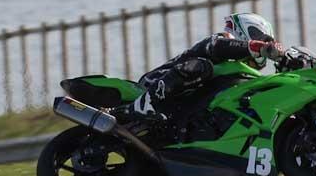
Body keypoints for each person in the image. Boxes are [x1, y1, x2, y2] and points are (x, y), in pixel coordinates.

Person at [119, 13, 292, 122]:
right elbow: (217, 46)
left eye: (267, 41)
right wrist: (256, 46)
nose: (264, 43)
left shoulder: (238, 72)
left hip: (181, 108)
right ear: (246, 30)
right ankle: (145, 104)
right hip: (154, 82)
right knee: (203, 67)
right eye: (261, 37)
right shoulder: (222, 39)